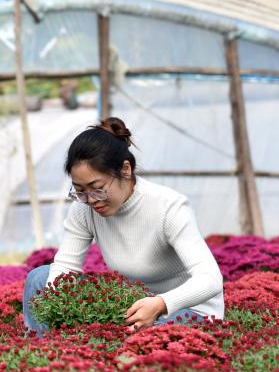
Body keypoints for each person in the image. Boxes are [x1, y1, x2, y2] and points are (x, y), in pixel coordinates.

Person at [23, 117, 224, 335]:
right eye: (79, 190)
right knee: (40, 279)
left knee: (153, 333)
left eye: (97, 188)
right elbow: (66, 267)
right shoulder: (84, 209)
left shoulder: (169, 207)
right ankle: (44, 350)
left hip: (185, 311)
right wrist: (55, 306)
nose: (90, 199)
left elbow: (210, 279)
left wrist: (160, 304)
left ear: (125, 170)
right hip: (129, 305)